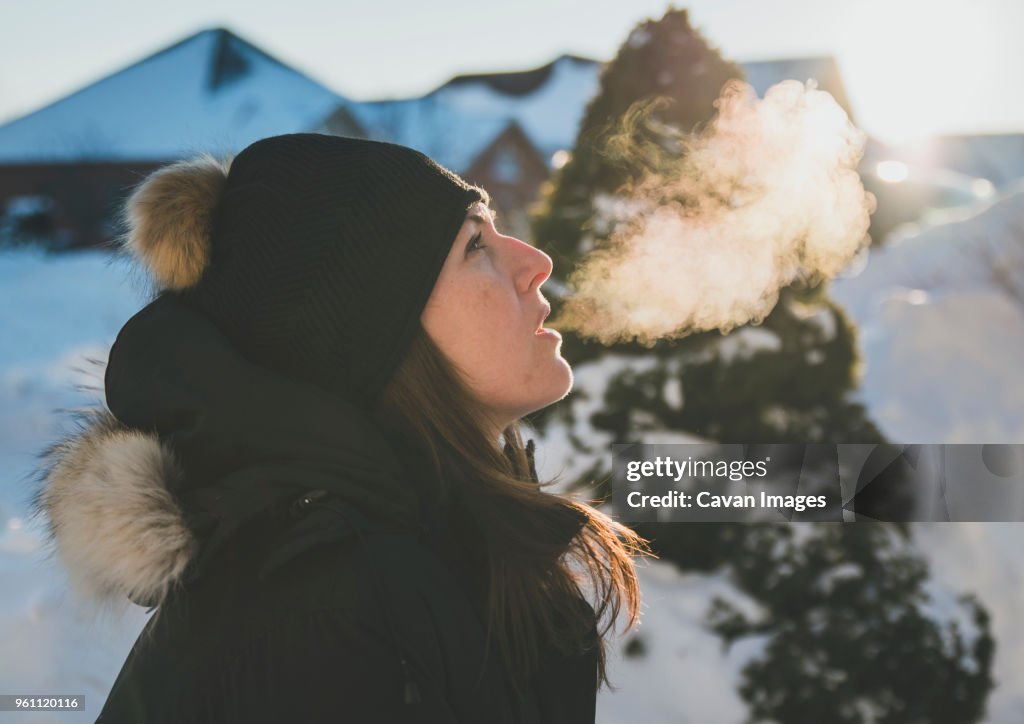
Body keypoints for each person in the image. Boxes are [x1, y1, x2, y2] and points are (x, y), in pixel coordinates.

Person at [31, 134, 649, 723]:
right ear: (367, 335)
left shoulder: (424, 545)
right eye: (472, 246)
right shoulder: (314, 621)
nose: (535, 262)